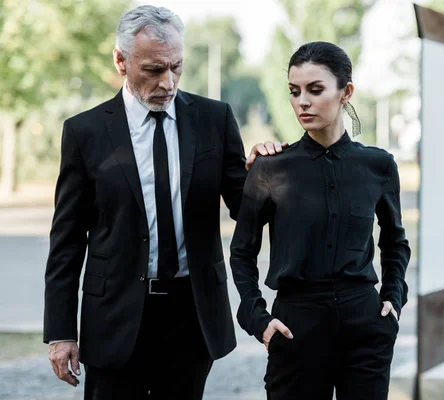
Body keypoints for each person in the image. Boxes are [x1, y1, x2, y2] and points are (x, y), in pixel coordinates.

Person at [44, 5, 283, 399]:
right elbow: (66, 241)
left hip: (191, 314)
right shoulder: (84, 132)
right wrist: (60, 332)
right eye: (154, 70)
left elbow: (245, 210)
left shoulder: (214, 119)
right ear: (121, 61)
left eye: (176, 66)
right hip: (114, 317)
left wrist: (265, 175)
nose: (168, 82)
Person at [230, 41, 411, 399]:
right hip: (295, 326)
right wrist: (258, 320)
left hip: (365, 324)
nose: (303, 101)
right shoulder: (270, 167)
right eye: (294, 92)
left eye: (315, 90)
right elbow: (241, 252)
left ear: (346, 93)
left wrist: (393, 298)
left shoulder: (379, 165)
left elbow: (395, 242)